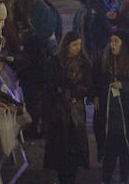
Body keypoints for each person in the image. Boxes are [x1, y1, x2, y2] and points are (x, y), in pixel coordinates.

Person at [94, 35, 129, 184]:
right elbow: (96, 82)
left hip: (128, 118)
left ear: (124, 44)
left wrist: (123, 85)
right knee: (109, 152)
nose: (111, 45)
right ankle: (106, 180)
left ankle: (124, 180)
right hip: (109, 117)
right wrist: (96, 96)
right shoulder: (104, 62)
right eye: (110, 41)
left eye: (115, 41)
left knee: (126, 152)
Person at [44, 32, 95, 184]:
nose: (78, 48)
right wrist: (63, 93)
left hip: (76, 110)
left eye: (79, 44)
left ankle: (71, 176)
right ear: (66, 46)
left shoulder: (85, 63)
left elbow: (88, 86)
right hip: (59, 110)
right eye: (74, 45)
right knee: (61, 146)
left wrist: (77, 94)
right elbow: (50, 85)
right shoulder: (54, 62)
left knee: (75, 145)